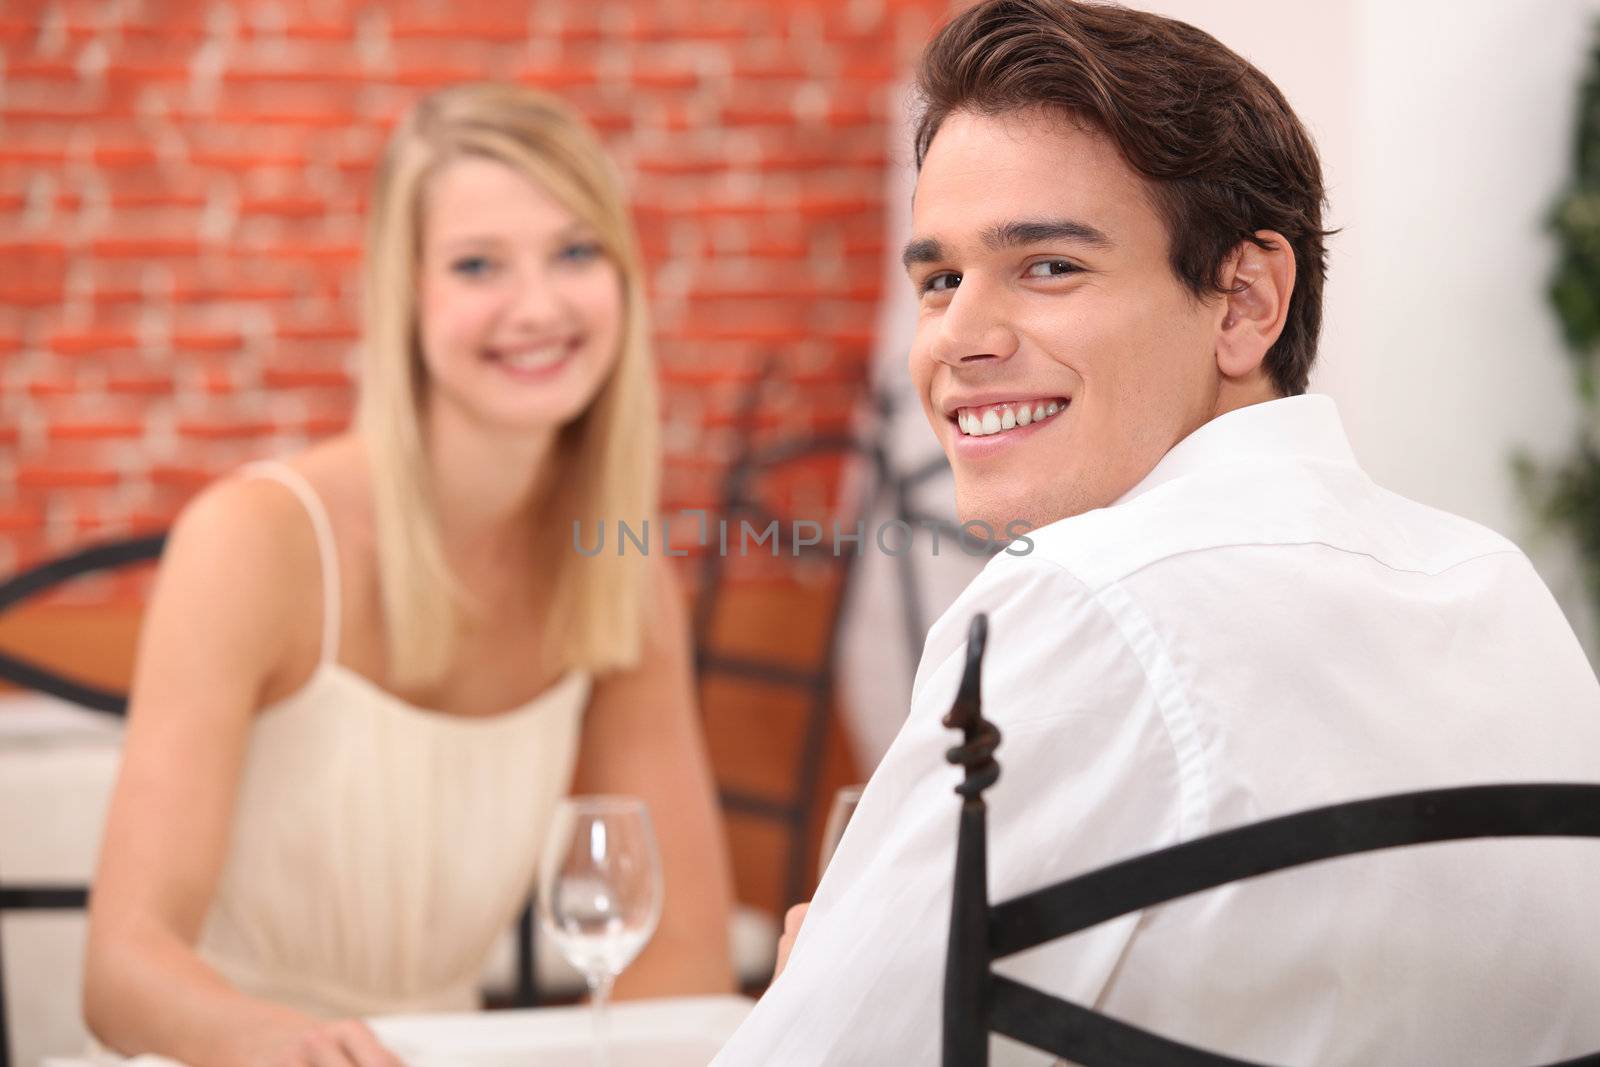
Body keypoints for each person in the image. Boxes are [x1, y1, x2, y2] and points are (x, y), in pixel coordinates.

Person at [717, 1, 1600, 1064]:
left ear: (1243, 301)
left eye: (1047, 265)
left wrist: (822, 976)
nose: (958, 337)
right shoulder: (1496, 589)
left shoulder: (1073, 603)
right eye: (939, 278)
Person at [83, 83, 735, 1067]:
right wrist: (307, 1050)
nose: (539, 305)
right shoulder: (254, 540)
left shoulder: (618, 568)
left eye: (575, 251)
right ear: (406, 296)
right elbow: (122, 969)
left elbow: (682, 950)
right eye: (478, 264)